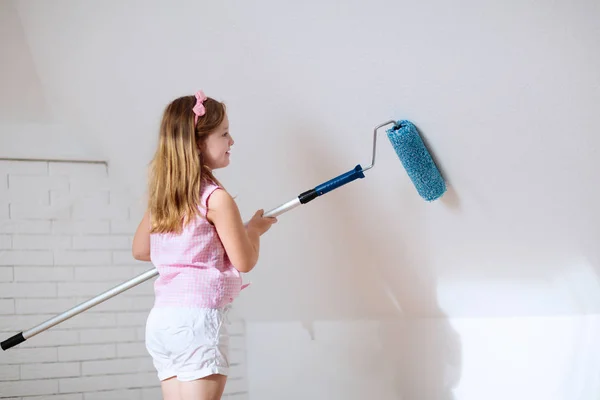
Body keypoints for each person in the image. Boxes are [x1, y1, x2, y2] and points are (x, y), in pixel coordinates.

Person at [132, 90, 277, 400]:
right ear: (198, 143)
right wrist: (254, 230)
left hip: (163, 322)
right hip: (196, 322)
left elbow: (142, 250)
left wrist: (180, 253)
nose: (232, 141)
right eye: (224, 133)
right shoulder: (216, 198)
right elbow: (245, 261)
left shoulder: (164, 197)